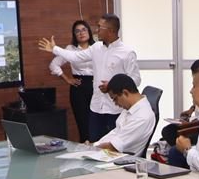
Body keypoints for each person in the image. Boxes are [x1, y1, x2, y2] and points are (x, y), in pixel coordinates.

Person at [39, 14, 141, 142]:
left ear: (110, 31)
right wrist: (55, 49)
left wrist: (113, 85)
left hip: (115, 109)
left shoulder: (127, 52)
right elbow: (76, 57)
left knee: (112, 148)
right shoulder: (96, 47)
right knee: (93, 143)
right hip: (96, 106)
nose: (96, 30)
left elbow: (136, 79)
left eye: (99, 27)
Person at [48, 20, 95, 143]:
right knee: (83, 124)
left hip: (96, 86)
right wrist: (67, 78)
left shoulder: (97, 47)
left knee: (96, 123)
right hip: (79, 87)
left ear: (89, 31)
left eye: (84, 29)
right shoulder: (70, 49)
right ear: (74, 35)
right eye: (77, 31)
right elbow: (54, 65)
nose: (81, 33)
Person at [92, 74, 155, 156]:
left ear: (125, 93)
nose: (115, 103)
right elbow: (115, 133)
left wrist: (90, 150)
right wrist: (94, 145)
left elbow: (113, 147)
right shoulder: (131, 108)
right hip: (110, 154)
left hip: (119, 159)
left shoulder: (142, 116)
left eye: (115, 99)